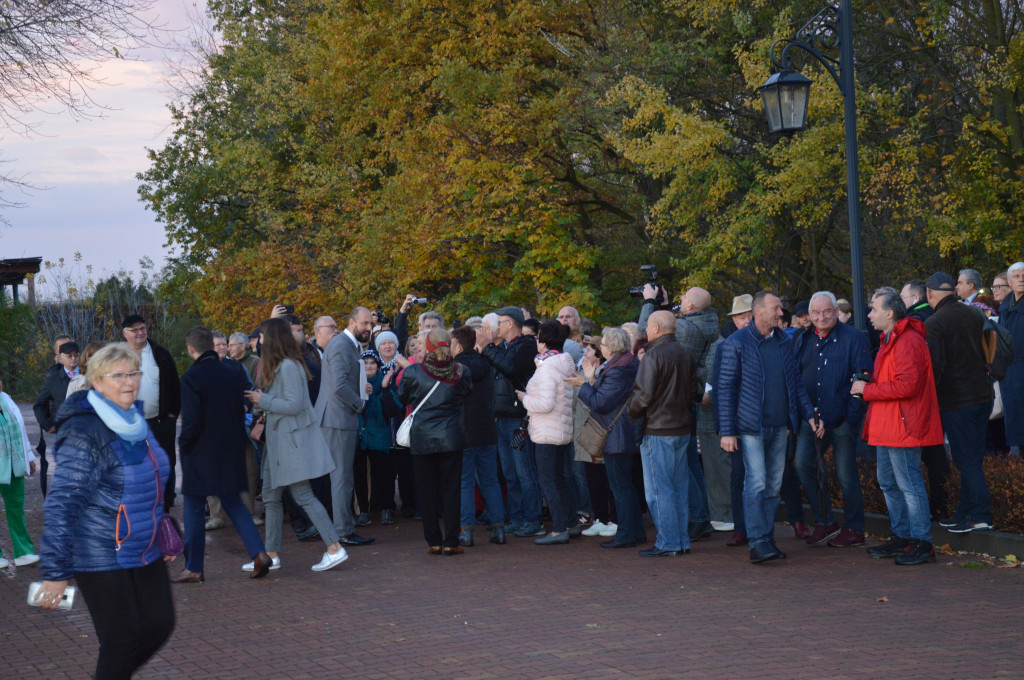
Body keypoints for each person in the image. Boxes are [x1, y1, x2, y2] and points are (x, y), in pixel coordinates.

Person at [36, 343, 175, 678]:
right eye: (118, 375)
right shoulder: (85, 429)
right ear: (96, 382)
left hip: (142, 543)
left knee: (159, 625)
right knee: (122, 640)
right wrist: (55, 572)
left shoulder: (134, 420)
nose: (129, 381)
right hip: (98, 550)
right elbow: (63, 502)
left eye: (133, 373)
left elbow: (150, 483)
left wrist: (164, 527)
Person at [718, 291, 820, 564]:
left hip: (779, 426)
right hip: (751, 426)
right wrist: (727, 431)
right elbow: (725, 389)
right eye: (776, 308)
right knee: (757, 482)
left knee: (773, 486)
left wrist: (809, 414)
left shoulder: (783, 342)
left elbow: (795, 383)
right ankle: (758, 542)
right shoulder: (736, 343)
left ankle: (766, 538)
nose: (780, 313)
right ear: (758, 311)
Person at [245, 318, 349, 571]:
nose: (259, 341)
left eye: (263, 336)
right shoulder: (283, 365)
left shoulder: (289, 367)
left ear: (273, 339)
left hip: (291, 443)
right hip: (279, 444)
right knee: (270, 496)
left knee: (303, 495)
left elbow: (295, 405)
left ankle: (334, 547)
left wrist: (263, 400)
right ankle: (271, 554)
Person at [173, 327, 273, 583]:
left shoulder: (191, 378)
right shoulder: (232, 372)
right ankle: (259, 553)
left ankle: (194, 566)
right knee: (235, 503)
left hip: (201, 452)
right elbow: (245, 406)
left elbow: (192, 421)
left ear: (191, 349)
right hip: (231, 447)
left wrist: (184, 445)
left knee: (194, 507)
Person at [853, 291, 943, 565]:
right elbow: (898, 379)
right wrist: (871, 381)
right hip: (889, 423)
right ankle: (903, 537)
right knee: (890, 482)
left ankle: (921, 542)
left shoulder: (907, 341)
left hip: (902, 425)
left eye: (873, 309)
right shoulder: (892, 339)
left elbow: (909, 385)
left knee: (908, 484)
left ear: (890, 313)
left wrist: (868, 389)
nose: (869, 315)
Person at [793, 291, 872, 547]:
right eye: (815, 313)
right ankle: (825, 521)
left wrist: (848, 416)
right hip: (811, 418)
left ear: (836, 312)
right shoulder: (803, 338)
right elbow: (796, 378)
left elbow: (862, 377)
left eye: (827, 311)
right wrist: (808, 415)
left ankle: (855, 527)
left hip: (842, 420)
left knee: (845, 473)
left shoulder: (854, 338)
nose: (821, 317)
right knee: (803, 464)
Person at [640, 285, 718, 541]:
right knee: (689, 467)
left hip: (666, 414)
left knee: (670, 479)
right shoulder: (704, 325)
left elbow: (646, 330)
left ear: (691, 307)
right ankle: (696, 520)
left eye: (683, 298)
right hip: (686, 408)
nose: (680, 299)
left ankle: (688, 524)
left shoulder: (683, 330)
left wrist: (650, 303)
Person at [924, 272, 994, 532]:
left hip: (957, 400)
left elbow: (934, 367)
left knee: (966, 460)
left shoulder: (935, 322)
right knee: (971, 458)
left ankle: (979, 515)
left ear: (930, 294)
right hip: (983, 396)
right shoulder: (974, 313)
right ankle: (966, 511)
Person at [628, 310, 699, 557]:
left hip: (658, 429)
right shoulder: (685, 353)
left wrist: (632, 414)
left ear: (656, 328)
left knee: (659, 490)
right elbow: (695, 392)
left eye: (647, 327)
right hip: (682, 428)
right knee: (679, 487)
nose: (645, 331)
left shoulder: (653, 355)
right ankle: (680, 541)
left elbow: (642, 396)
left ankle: (668, 542)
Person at [397, 328, 473, 554]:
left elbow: (402, 396)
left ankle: (433, 540)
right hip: (451, 436)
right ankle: (451, 541)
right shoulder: (461, 370)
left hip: (422, 438)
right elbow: (466, 392)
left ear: (428, 347)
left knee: (427, 490)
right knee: (451, 490)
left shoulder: (413, 372)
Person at [570, 327, 644, 548]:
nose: (600, 347)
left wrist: (584, 384)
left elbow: (599, 403)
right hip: (621, 433)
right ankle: (635, 531)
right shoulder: (625, 365)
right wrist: (591, 381)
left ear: (611, 348)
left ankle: (626, 534)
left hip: (616, 435)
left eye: (602, 344)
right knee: (626, 487)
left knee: (620, 488)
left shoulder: (617, 370)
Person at [314, 307, 376, 546]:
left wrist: (361, 391)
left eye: (370, 323)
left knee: (342, 476)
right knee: (341, 477)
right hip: (337, 420)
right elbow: (339, 386)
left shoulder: (345, 345)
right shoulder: (342, 345)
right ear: (352, 323)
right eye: (364, 323)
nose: (368, 328)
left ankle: (343, 528)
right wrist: (360, 404)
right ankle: (343, 531)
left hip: (337, 419)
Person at [480, 306, 543, 537]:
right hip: (501, 418)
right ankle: (516, 518)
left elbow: (510, 368)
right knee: (509, 472)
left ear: (510, 323)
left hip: (519, 421)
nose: (497, 326)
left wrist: (487, 347)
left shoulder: (526, 344)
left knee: (524, 471)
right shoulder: (503, 347)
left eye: (500, 321)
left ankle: (533, 519)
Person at [516, 321, 577, 546]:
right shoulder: (563, 364)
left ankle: (559, 529)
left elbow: (545, 403)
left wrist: (525, 399)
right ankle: (570, 523)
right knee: (560, 479)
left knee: (549, 481)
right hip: (560, 429)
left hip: (546, 431)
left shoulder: (548, 367)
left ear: (544, 340)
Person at [901, 279, 951, 518]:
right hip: (944, 395)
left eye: (902, 299)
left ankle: (935, 507)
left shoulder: (920, 322)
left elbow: (931, 364)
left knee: (927, 457)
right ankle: (941, 502)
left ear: (915, 299)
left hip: (927, 398)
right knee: (936, 455)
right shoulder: (937, 316)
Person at [451, 326, 506, 546]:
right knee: (490, 480)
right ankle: (499, 528)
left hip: (464, 429)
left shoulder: (456, 367)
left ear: (458, 345)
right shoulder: (486, 363)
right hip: (486, 429)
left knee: (465, 482)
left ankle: (466, 530)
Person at [122, 315, 181, 513]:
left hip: (160, 421)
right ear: (125, 334)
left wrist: (172, 414)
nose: (140, 333)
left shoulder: (160, 354)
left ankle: (166, 504)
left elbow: (174, 385)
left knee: (164, 463)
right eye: (134, 330)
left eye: (142, 328)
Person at [358, 349, 403, 526]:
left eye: (372, 363)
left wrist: (383, 390)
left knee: (383, 473)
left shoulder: (385, 383)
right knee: (359, 475)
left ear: (378, 366)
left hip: (379, 434)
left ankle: (386, 509)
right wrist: (362, 395)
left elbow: (393, 410)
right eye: (365, 363)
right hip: (359, 435)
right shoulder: (354, 383)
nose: (368, 366)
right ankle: (363, 510)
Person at [1, 376, 40, 568]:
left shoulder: (7, 400)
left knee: (16, 506)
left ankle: (23, 551)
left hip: (14, 463)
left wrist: (29, 456)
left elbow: (21, 430)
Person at [32, 340, 79, 497]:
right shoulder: (54, 379)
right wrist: (48, 425)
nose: (73, 359)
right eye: (69, 356)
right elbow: (39, 404)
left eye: (76, 355)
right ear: (61, 358)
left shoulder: (88, 374)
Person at [999, 262, 1024, 455]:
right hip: (1010, 375)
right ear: (1009, 281)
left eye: (1023, 275)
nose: (1021, 279)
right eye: (1016, 276)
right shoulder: (1005, 308)